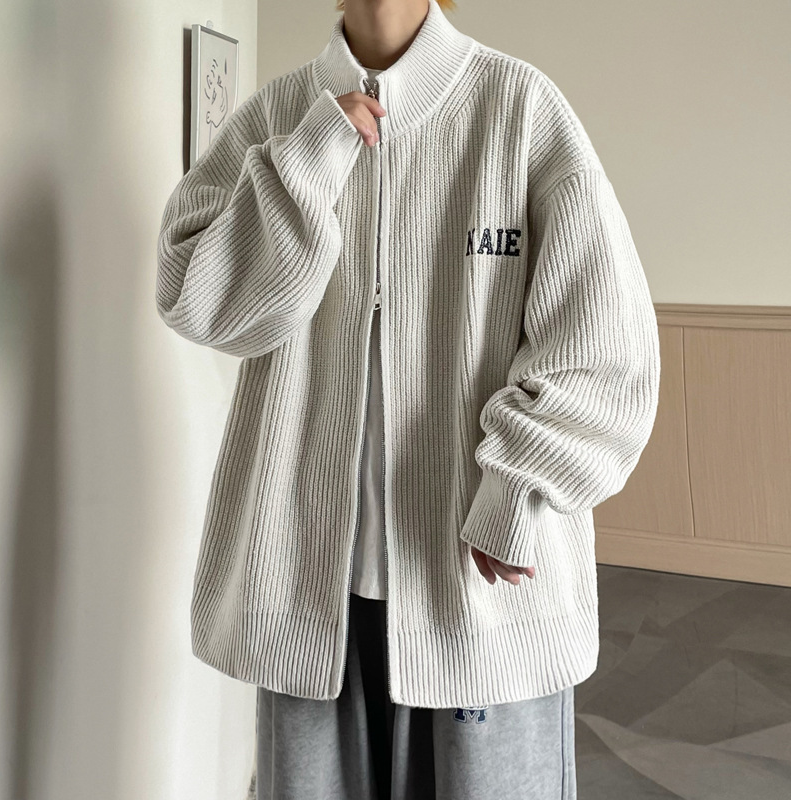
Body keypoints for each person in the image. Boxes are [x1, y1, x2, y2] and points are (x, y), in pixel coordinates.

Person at [155, 0, 661, 797]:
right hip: (309, 602)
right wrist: (308, 162)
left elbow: (606, 347)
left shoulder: (518, 108)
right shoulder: (277, 119)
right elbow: (201, 300)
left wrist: (517, 488)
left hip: (478, 594)